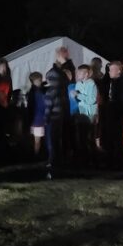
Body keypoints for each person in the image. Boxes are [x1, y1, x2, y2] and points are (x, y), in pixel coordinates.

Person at [44, 47, 71, 178]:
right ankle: (58, 162)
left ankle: (53, 163)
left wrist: (46, 115)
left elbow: (50, 97)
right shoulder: (61, 75)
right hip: (61, 112)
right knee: (57, 139)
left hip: (54, 113)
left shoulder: (54, 75)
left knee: (53, 139)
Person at [100, 61, 123, 169]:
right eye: (109, 70)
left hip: (117, 115)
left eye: (112, 70)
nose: (109, 72)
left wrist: (122, 115)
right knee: (109, 137)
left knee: (117, 139)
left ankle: (117, 162)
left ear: (119, 71)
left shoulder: (122, 84)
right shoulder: (110, 81)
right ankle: (110, 161)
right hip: (109, 113)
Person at [73, 64, 98, 166]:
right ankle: (83, 159)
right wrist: (75, 96)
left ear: (86, 74)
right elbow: (77, 99)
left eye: (80, 72)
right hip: (81, 113)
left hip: (90, 114)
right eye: (77, 72)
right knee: (81, 137)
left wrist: (78, 95)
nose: (77, 74)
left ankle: (92, 159)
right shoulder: (78, 84)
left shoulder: (92, 84)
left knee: (89, 137)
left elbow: (92, 100)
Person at [26, 72, 46, 159]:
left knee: (37, 139)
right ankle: (36, 155)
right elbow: (41, 106)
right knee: (37, 140)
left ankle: (36, 155)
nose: (41, 81)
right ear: (34, 81)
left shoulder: (34, 91)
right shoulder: (37, 92)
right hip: (38, 119)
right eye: (39, 80)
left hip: (36, 119)